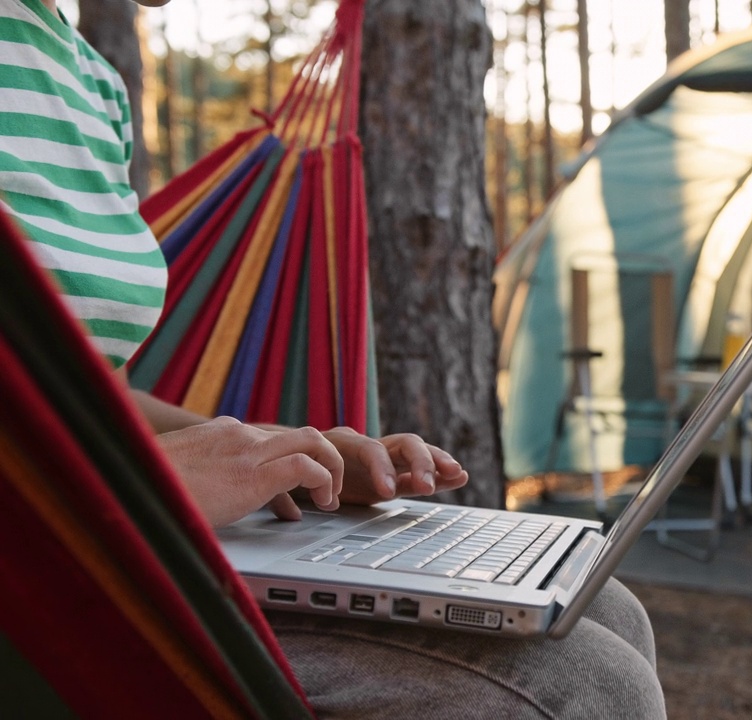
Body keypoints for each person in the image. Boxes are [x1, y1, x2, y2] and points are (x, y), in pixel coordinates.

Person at [0, 0, 666, 716]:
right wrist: (145, 487)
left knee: (603, 604)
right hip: (45, 567)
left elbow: (92, 393)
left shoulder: (85, 76)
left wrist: (272, 453)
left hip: (117, 524)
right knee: (582, 685)